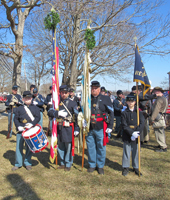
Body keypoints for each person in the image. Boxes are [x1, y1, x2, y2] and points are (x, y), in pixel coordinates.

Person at [48, 85, 80, 171]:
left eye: (65, 93)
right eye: (62, 93)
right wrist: (57, 113)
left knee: (68, 146)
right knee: (60, 146)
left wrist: (77, 129)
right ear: (60, 93)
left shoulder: (73, 103)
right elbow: (49, 112)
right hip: (58, 127)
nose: (64, 94)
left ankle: (68, 163)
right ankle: (62, 162)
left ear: (68, 93)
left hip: (68, 127)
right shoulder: (56, 102)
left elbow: (76, 116)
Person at [86, 81, 114, 175]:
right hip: (89, 126)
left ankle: (100, 166)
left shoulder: (106, 98)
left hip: (100, 126)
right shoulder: (87, 98)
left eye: (95, 88)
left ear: (99, 89)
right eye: (92, 88)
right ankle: (92, 164)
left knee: (101, 147)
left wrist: (110, 126)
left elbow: (111, 113)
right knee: (90, 147)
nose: (93, 90)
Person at [12, 91, 40, 171]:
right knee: (19, 147)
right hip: (21, 130)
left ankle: (27, 162)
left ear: (31, 98)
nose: (27, 99)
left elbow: (38, 117)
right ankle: (18, 163)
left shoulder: (35, 108)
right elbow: (16, 119)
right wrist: (18, 126)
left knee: (29, 147)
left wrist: (32, 124)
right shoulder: (19, 108)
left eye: (29, 98)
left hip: (30, 130)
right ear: (23, 99)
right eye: (26, 98)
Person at [121, 94, 145, 176]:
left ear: (135, 102)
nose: (130, 103)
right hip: (127, 134)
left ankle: (136, 167)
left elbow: (142, 123)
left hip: (137, 134)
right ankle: (125, 167)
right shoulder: (124, 112)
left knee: (136, 151)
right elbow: (124, 125)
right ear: (126, 102)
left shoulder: (139, 112)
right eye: (129, 101)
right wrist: (131, 133)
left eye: (132, 101)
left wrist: (137, 133)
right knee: (126, 151)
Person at [150, 87, 168, 152]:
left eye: (154, 92)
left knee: (158, 132)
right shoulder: (164, 98)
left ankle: (163, 147)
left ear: (158, 91)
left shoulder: (159, 99)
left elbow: (156, 110)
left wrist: (152, 119)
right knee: (161, 132)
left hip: (158, 117)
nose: (154, 93)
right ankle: (162, 144)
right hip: (161, 116)